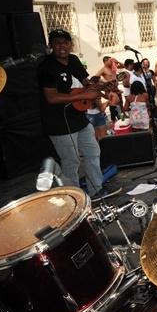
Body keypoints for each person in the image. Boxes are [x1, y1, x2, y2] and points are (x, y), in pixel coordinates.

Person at [38, 29, 104, 197]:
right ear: (51, 46)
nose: (62, 46)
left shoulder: (73, 60)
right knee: (71, 162)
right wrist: (84, 95)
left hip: (79, 118)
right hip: (59, 122)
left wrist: (98, 88)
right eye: (57, 43)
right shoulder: (46, 67)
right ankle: (74, 199)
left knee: (93, 152)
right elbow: (52, 97)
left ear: (71, 44)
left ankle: (97, 191)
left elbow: (86, 82)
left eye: (66, 42)